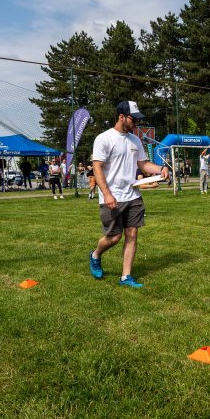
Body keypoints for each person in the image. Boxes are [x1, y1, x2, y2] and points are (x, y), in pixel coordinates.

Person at [88, 101, 169, 288]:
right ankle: (95, 255)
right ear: (121, 117)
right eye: (134, 119)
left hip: (133, 195)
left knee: (132, 234)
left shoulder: (135, 140)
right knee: (113, 237)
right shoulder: (104, 139)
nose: (136, 123)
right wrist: (107, 194)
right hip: (112, 196)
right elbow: (97, 168)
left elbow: (143, 164)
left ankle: (126, 277)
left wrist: (160, 169)